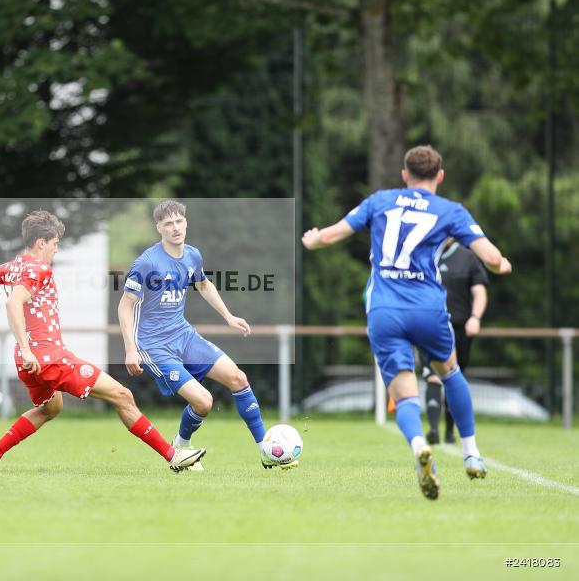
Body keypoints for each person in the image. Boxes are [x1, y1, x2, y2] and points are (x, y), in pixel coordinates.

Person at [301, 145, 511, 500]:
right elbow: (490, 258)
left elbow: (332, 234)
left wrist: (313, 240)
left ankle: (418, 446)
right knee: (449, 371)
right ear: (439, 176)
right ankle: (471, 452)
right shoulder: (450, 211)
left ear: (404, 175)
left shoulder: (380, 201)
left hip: (384, 310)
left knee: (403, 390)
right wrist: (502, 264)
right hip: (427, 308)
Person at [0, 210, 205, 473]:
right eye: (55, 243)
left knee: (50, 408)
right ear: (41, 243)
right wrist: (27, 349)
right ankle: (174, 456)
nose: (56, 250)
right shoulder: (38, 269)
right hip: (48, 358)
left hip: (29, 363)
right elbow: (13, 302)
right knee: (122, 395)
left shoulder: (15, 266)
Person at [117, 200, 291, 470]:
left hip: (183, 335)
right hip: (154, 346)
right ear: (159, 228)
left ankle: (266, 451)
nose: (175, 228)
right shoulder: (147, 263)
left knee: (238, 378)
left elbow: (203, 283)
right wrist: (131, 348)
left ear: (186, 222)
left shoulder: (192, 255)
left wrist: (229, 316)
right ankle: (182, 447)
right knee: (204, 402)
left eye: (179, 222)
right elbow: (125, 305)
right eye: (168, 224)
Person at [423, 237, 489, 445]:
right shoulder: (423, 252)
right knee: (433, 375)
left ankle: (450, 430)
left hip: (459, 327)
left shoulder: (467, 257)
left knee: (453, 376)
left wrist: (475, 318)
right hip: (431, 324)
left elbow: (479, 292)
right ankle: (433, 429)